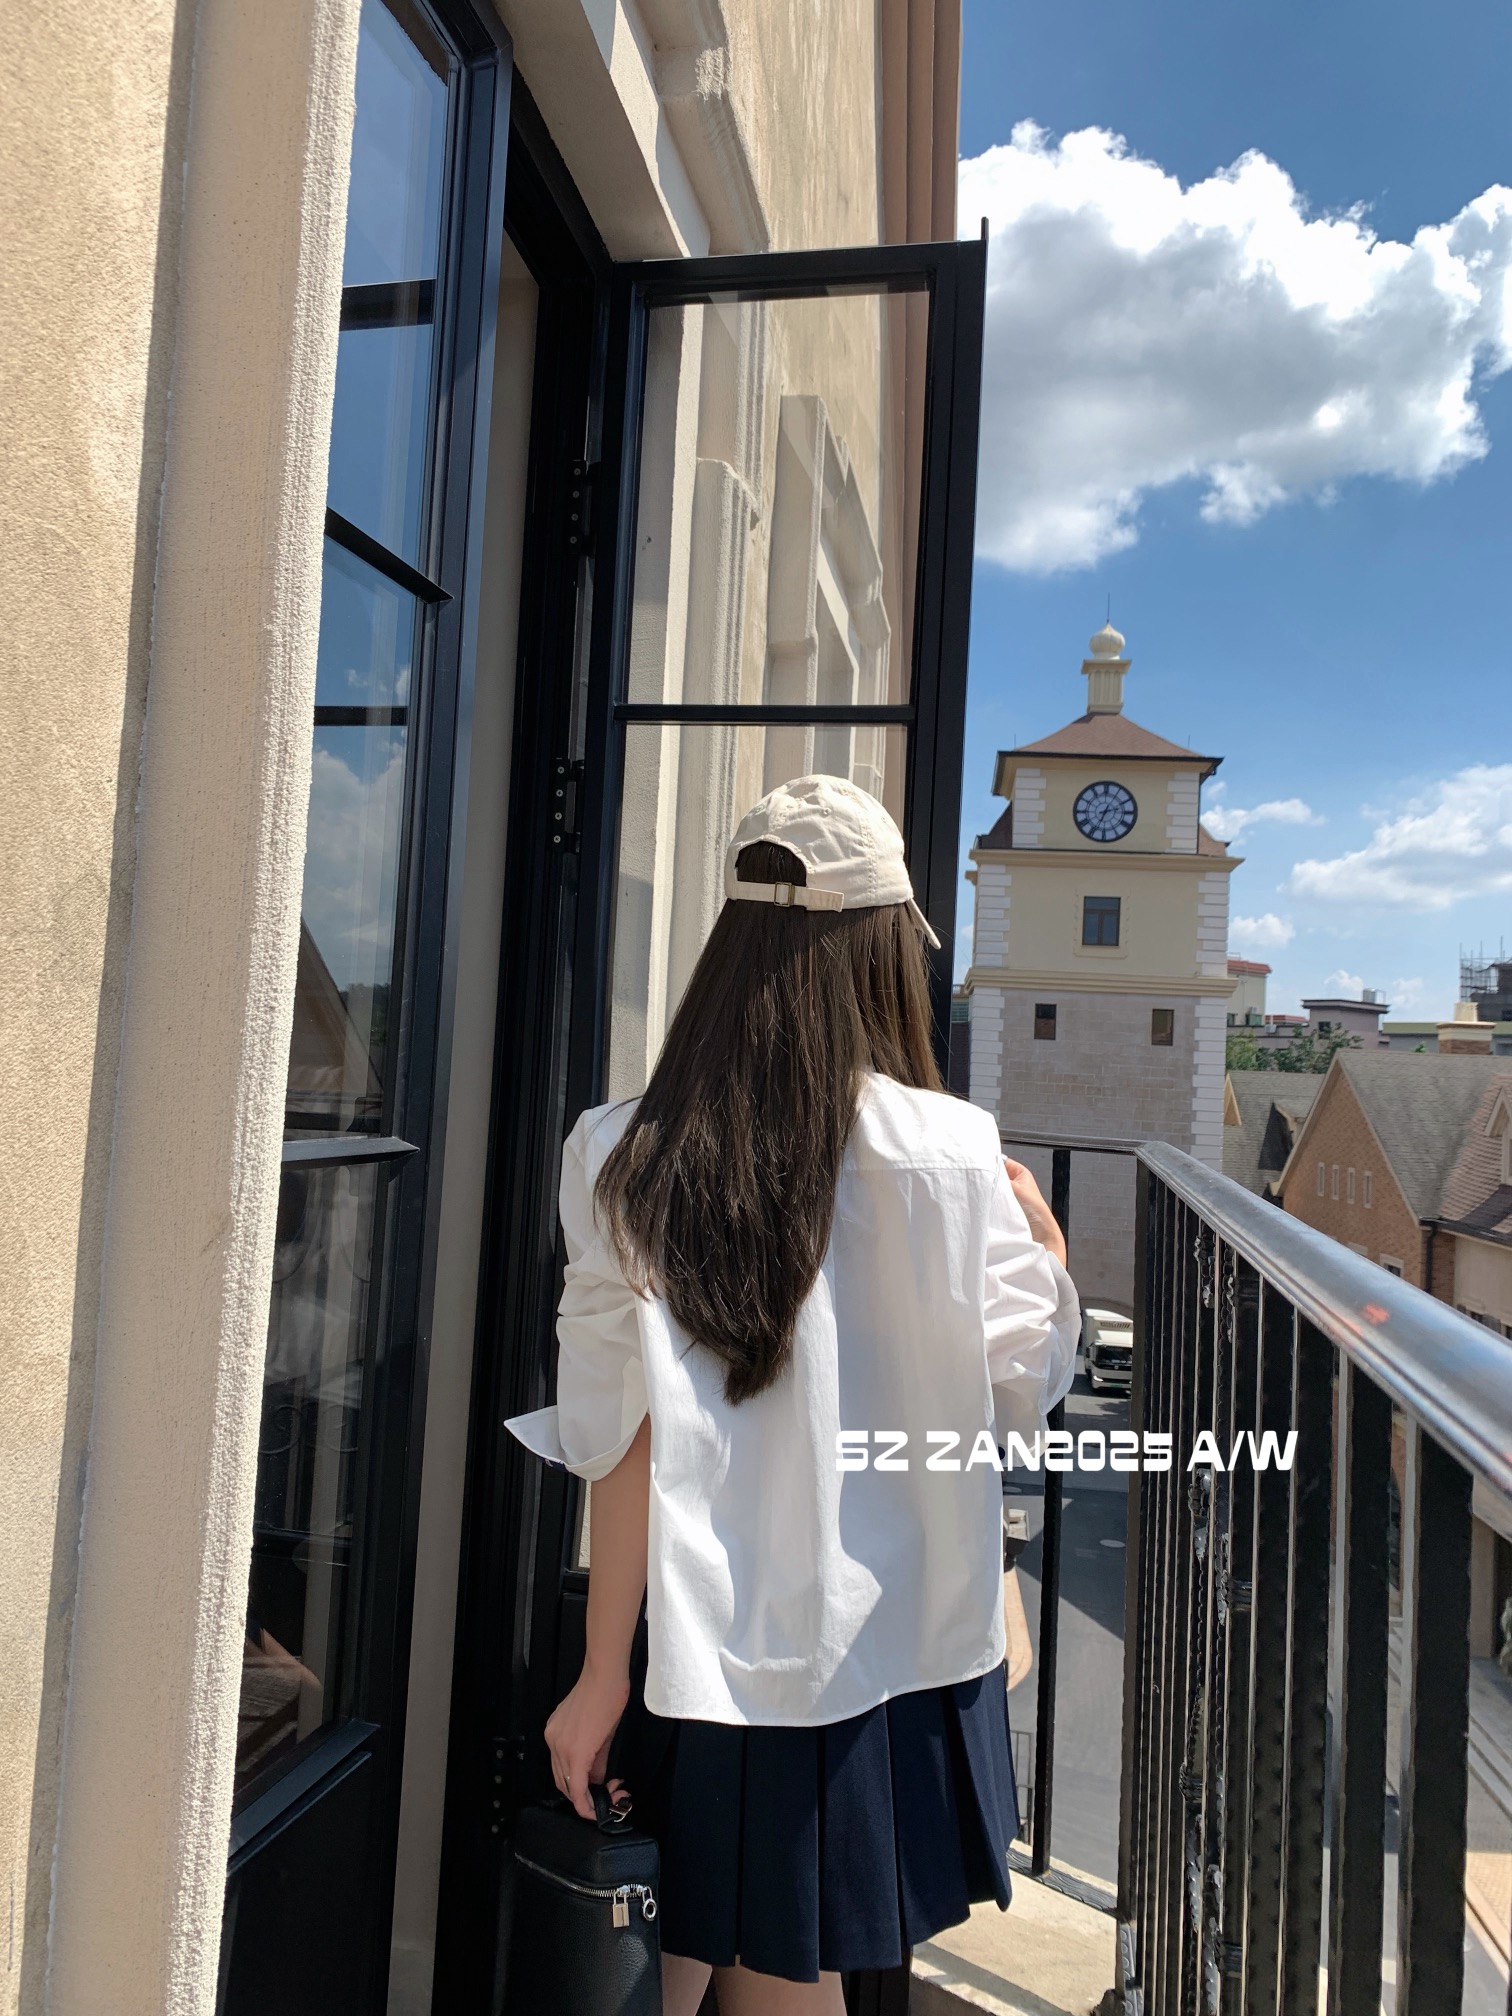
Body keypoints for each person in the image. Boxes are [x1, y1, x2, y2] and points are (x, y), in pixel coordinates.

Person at [508, 775, 1079, 2016]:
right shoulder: (955, 1151)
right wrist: (1050, 1263)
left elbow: (616, 1438)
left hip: (697, 1642)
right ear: (884, 947)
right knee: (794, 1975)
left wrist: (603, 1672)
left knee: (637, 1965)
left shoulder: (620, 1150)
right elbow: (1015, 1397)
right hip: (888, 1649)